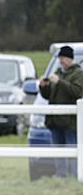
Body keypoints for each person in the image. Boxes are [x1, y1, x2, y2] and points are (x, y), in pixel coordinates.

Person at [39, 45, 83, 178]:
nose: (61, 61)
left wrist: (60, 82)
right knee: (57, 151)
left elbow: (77, 92)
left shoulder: (79, 74)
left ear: (70, 59)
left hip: (70, 121)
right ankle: (61, 176)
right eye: (60, 58)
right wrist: (43, 87)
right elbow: (48, 95)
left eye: (63, 58)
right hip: (55, 121)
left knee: (73, 150)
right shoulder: (57, 73)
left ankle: (76, 176)